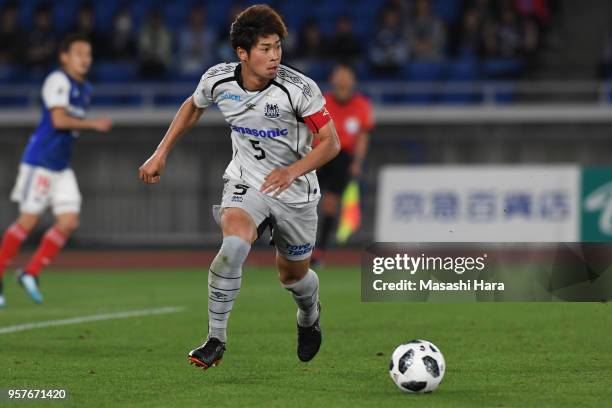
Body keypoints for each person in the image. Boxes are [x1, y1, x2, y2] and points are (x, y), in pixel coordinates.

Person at [138, 5, 340, 369]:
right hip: (247, 181)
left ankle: (309, 317)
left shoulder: (298, 89)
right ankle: (215, 338)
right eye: (265, 48)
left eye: (277, 46)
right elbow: (193, 105)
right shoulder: (218, 80)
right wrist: (160, 153)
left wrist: (292, 171)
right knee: (232, 245)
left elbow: (330, 142)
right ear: (242, 53)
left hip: (296, 192)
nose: (275, 55)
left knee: (293, 277)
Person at [0, 34, 113, 308]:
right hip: (40, 162)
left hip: (60, 166)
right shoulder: (57, 81)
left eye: (88, 54)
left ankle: (30, 272)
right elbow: (59, 119)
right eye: (79, 54)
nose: (85, 59)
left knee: (69, 221)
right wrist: (93, 124)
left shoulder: (84, 88)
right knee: (28, 222)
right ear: (64, 57)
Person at [312, 64, 374, 265]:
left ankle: (319, 251)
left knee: (330, 204)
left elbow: (363, 136)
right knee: (304, 202)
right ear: (333, 79)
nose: (343, 80)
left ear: (353, 80)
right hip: (318, 154)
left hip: (342, 156)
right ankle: (296, 248)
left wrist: (357, 162)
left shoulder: (361, 105)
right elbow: (312, 131)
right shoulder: (322, 102)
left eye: (346, 76)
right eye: (339, 75)